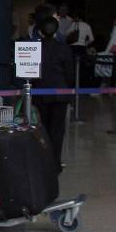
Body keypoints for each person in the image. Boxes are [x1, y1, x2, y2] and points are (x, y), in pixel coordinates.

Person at [33, 15, 76, 172]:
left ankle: (44, 161)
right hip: (60, 94)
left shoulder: (34, 48)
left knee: (42, 128)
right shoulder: (64, 48)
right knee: (57, 130)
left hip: (40, 94)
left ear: (41, 32)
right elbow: (69, 74)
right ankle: (55, 163)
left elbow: (30, 74)